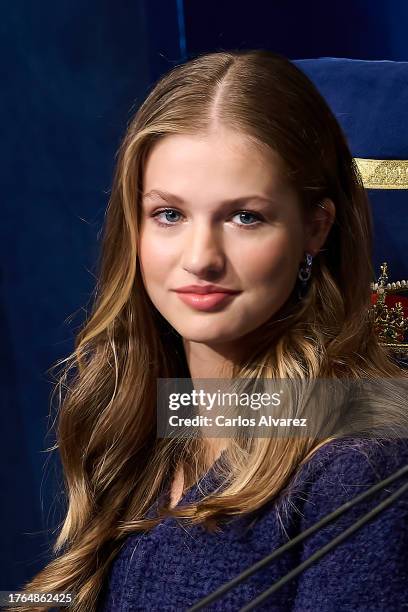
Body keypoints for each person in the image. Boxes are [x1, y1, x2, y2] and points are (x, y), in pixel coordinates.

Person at [11, 50, 408, 612]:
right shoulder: (140, 420)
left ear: (314, 229)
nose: (201, 259)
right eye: (169, 214)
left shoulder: (359, 463)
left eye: (245, 216)